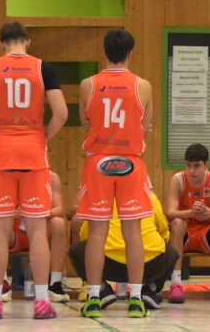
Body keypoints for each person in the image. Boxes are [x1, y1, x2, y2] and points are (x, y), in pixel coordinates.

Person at [0, 21, 68, 319]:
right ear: (28, 41)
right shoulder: (43, 68)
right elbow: (61, 113)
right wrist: (41, 137)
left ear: (2, 43)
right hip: (34, 153)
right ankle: (41, 302)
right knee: (38, 230)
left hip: (1, 152)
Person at [77, 28, 154, 319]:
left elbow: (87, 123)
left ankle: (94, 297)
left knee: (97, 232)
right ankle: (135, 298)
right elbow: (146, 125)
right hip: (131, 162)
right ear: (131, 53)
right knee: (132, 232)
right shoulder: (142, 85)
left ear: (104, 52)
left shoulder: (88, 84)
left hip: (98, 161)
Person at [71, 191, 177, 311]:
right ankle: (148, 291)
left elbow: (86, 236)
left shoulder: (100, 199)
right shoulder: (150, 197)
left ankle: (101, 290)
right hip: (147, 266)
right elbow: (164, 233)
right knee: (171, 253)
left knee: (78, 251)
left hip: (107, 264)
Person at [165, 143, 210, 303]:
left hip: (206, 237)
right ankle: (176, 284)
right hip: (185, 236)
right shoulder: (178, 179)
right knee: (176, 222)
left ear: (206, 165)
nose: (192, 171)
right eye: (188, 166)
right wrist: (191, 212)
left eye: (196, 166)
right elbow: (169, 213)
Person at [7, 171, 70, 303]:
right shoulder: (9, 175)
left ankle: (55, 283)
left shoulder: (51, 177)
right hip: (16, 229)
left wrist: (37, 212)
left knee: (58, 223)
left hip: (40, 228)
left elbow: (59, 209)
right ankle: (2, 284)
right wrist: (14, 213)